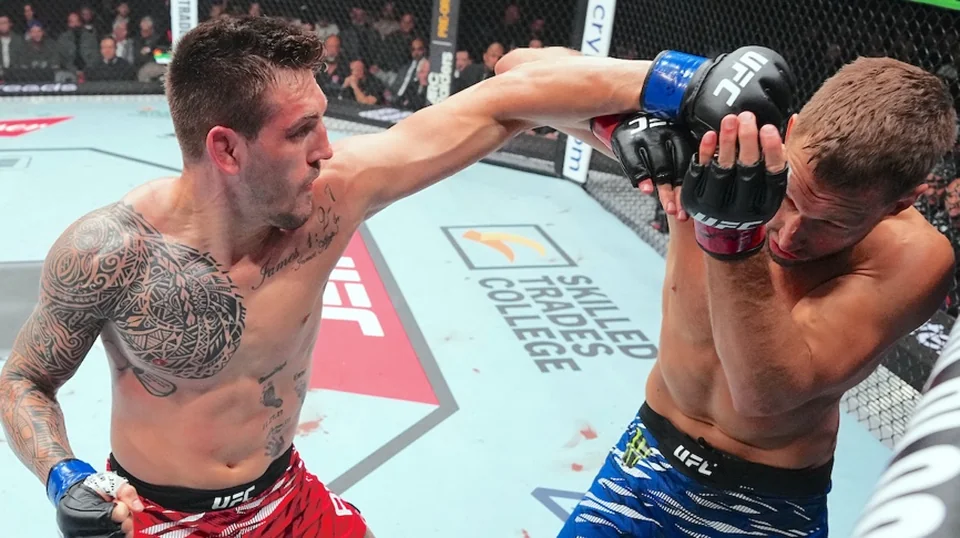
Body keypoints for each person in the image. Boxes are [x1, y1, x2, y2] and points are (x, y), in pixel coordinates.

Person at [0, 16, 794, 538]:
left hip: (285, 500)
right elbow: (25, 379)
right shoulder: (113, 251)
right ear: (226, 148)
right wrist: (62, 475)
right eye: (303, 131)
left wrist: (678, 84)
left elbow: (500, 103)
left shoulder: (330, 199)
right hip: (154, 518)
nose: (329, 149)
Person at [556, 57, 958, 536]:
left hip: (763, 509)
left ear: (900, 203)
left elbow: (764, 394)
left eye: (833, 223)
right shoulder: (723, 147)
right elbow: (525, 73)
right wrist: (634, 113)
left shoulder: (913, 256)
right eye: (786, 196)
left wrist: (733, 234)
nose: (790, 234)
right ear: (788, 133)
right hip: (641, 463)